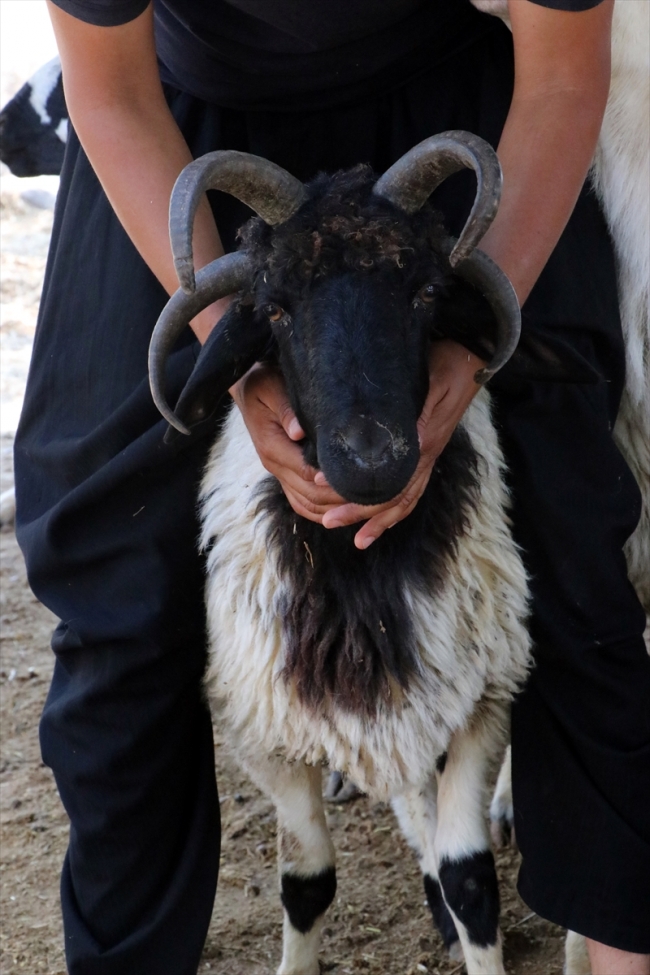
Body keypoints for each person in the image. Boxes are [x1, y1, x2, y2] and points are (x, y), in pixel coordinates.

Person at [13, 0, 649, 973]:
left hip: (449, 136)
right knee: (112, 571)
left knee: (569, 529)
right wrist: (230, 348)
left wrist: (472, 337)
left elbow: (562, 75)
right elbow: (111, 90)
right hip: (185, 139)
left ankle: (619, 954)